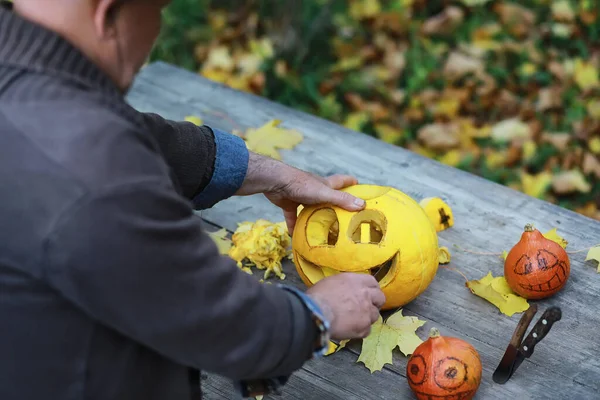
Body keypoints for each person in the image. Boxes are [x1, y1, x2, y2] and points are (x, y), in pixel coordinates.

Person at [0, 1, 386, 399]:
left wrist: (275, 175)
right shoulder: (90, 170)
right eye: (157, 11)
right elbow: (213, 316)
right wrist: (317, 316)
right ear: (108, 14)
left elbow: (133, 132)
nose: (154, 33)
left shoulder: (30, 87)